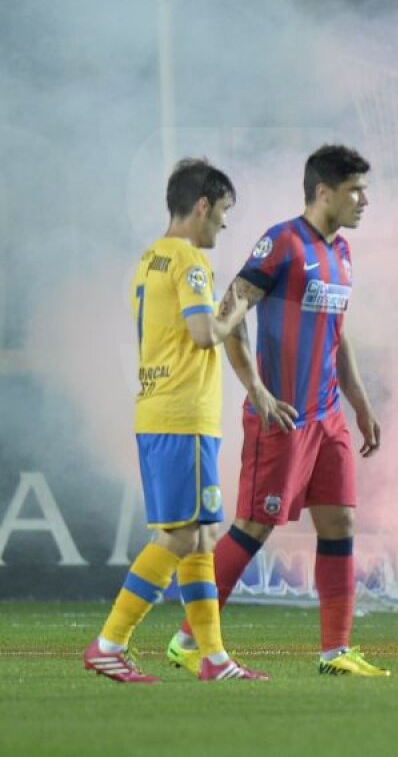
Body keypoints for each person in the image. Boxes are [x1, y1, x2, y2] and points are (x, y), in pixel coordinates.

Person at [165, 144, 387, 678]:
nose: (364, 200)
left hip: (327, 413)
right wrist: (258, 392)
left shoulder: (343, 254)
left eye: (365, 189)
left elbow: (339, 332)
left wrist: (358, 400)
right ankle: (187, 638)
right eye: (355, 190)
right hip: (283, 415)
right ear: (323, 192)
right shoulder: (284, 242)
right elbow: (231, 312)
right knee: (254, 526)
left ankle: (336, 652)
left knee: (340, 521)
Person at [84, 159, 267, 683]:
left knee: (202, 537)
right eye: (224, 211)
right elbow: (204, 333)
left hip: (163, 411)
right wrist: (237, 307)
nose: (224, 225)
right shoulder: (188, 260)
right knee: (181, 537)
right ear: (203, 205)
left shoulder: (148, 260)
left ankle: (213, 657)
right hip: (182, 417)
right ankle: (109, 642)